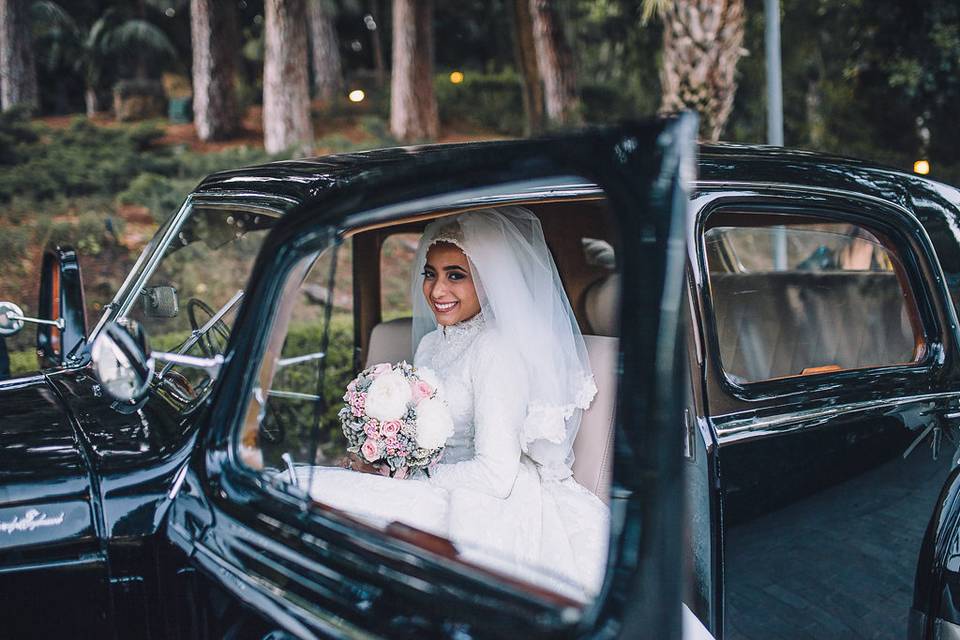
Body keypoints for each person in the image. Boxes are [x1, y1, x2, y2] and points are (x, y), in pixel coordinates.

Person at [311, 206, 609, 600]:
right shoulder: (431, 343)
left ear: (489, 281)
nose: (437, 291)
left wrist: (404, 477)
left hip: (487, 495)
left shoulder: (496, 349)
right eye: (430, 274)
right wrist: (388, 457)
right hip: (435, 479)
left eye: (456, 276)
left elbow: (494, 476)